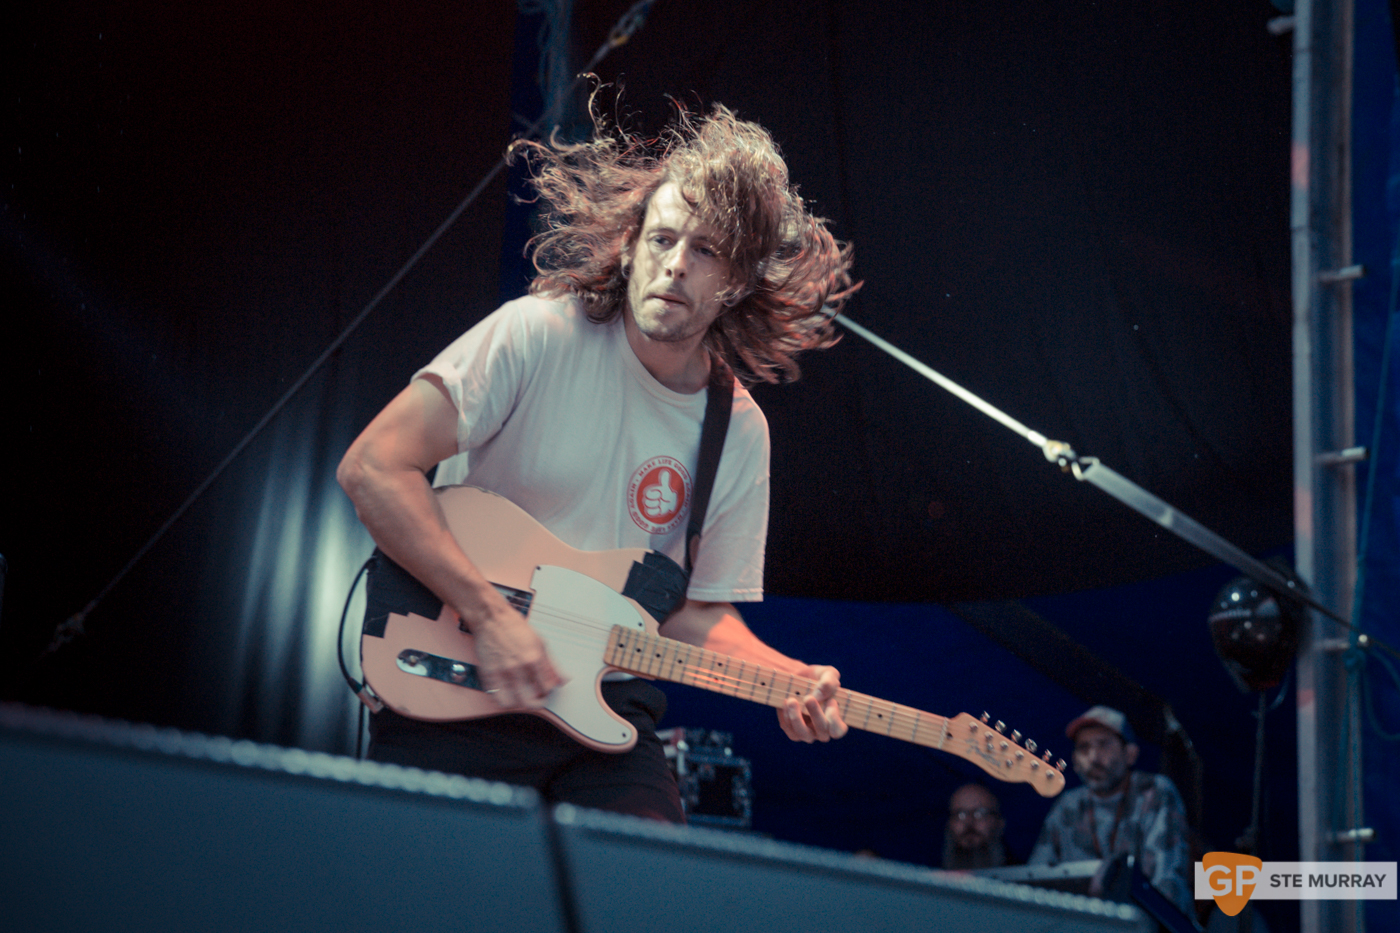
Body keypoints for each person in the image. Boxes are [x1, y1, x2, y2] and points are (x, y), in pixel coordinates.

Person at [336, 96, 858, 823]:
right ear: (630, 243)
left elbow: (691, 613)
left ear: (735, 282)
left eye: (704, 251)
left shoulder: (736, 429)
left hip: (604, 714)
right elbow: (372, 467)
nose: (675, 266)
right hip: (457, 683)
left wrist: (787, 678)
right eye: (663, 239)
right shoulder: (538, 334)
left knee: (646, 892)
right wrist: (489, 613)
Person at [1028, 705, 1195, 917]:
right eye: (1084, 747)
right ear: (1075, 763)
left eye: (1104, 745)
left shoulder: (1155, 792)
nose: (1093, 757)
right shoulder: (1067, 805)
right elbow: (1034, 879)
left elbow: (1166, 886)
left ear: (1130, 754)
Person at [942, 782, 1011, 870]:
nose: (969, 821)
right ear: (949, 823)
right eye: (960, 814)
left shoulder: (1023, 876)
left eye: (980, 813)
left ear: (999, 823)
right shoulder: (928, 878)